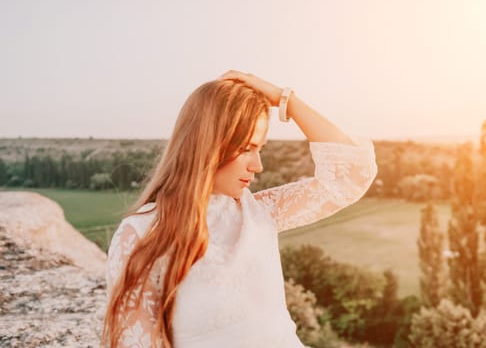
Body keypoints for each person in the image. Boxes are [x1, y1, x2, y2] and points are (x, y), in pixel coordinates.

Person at [102, 70, 377, 348]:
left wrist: (286, 100)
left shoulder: (259, 212)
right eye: (247, 148)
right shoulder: (141, 233)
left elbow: (351, 176)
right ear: (208, 145)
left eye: (260, 149)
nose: (257, 165)